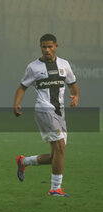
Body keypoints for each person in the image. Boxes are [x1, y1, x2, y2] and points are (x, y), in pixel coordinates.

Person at [13, 33, 80, 197]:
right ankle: (55, 189)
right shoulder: (33, 67)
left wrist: (76, 96)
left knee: (55, 156)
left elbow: (72, 85)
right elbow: (22, 87)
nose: (47, 50)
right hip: (44, 109)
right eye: (44, 47)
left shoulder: (64, 64)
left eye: (50, 46)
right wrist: (16, 103)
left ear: (56, 46)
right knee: (61, 148)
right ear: (40, 48)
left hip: (60, 111)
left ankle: (24, 161)